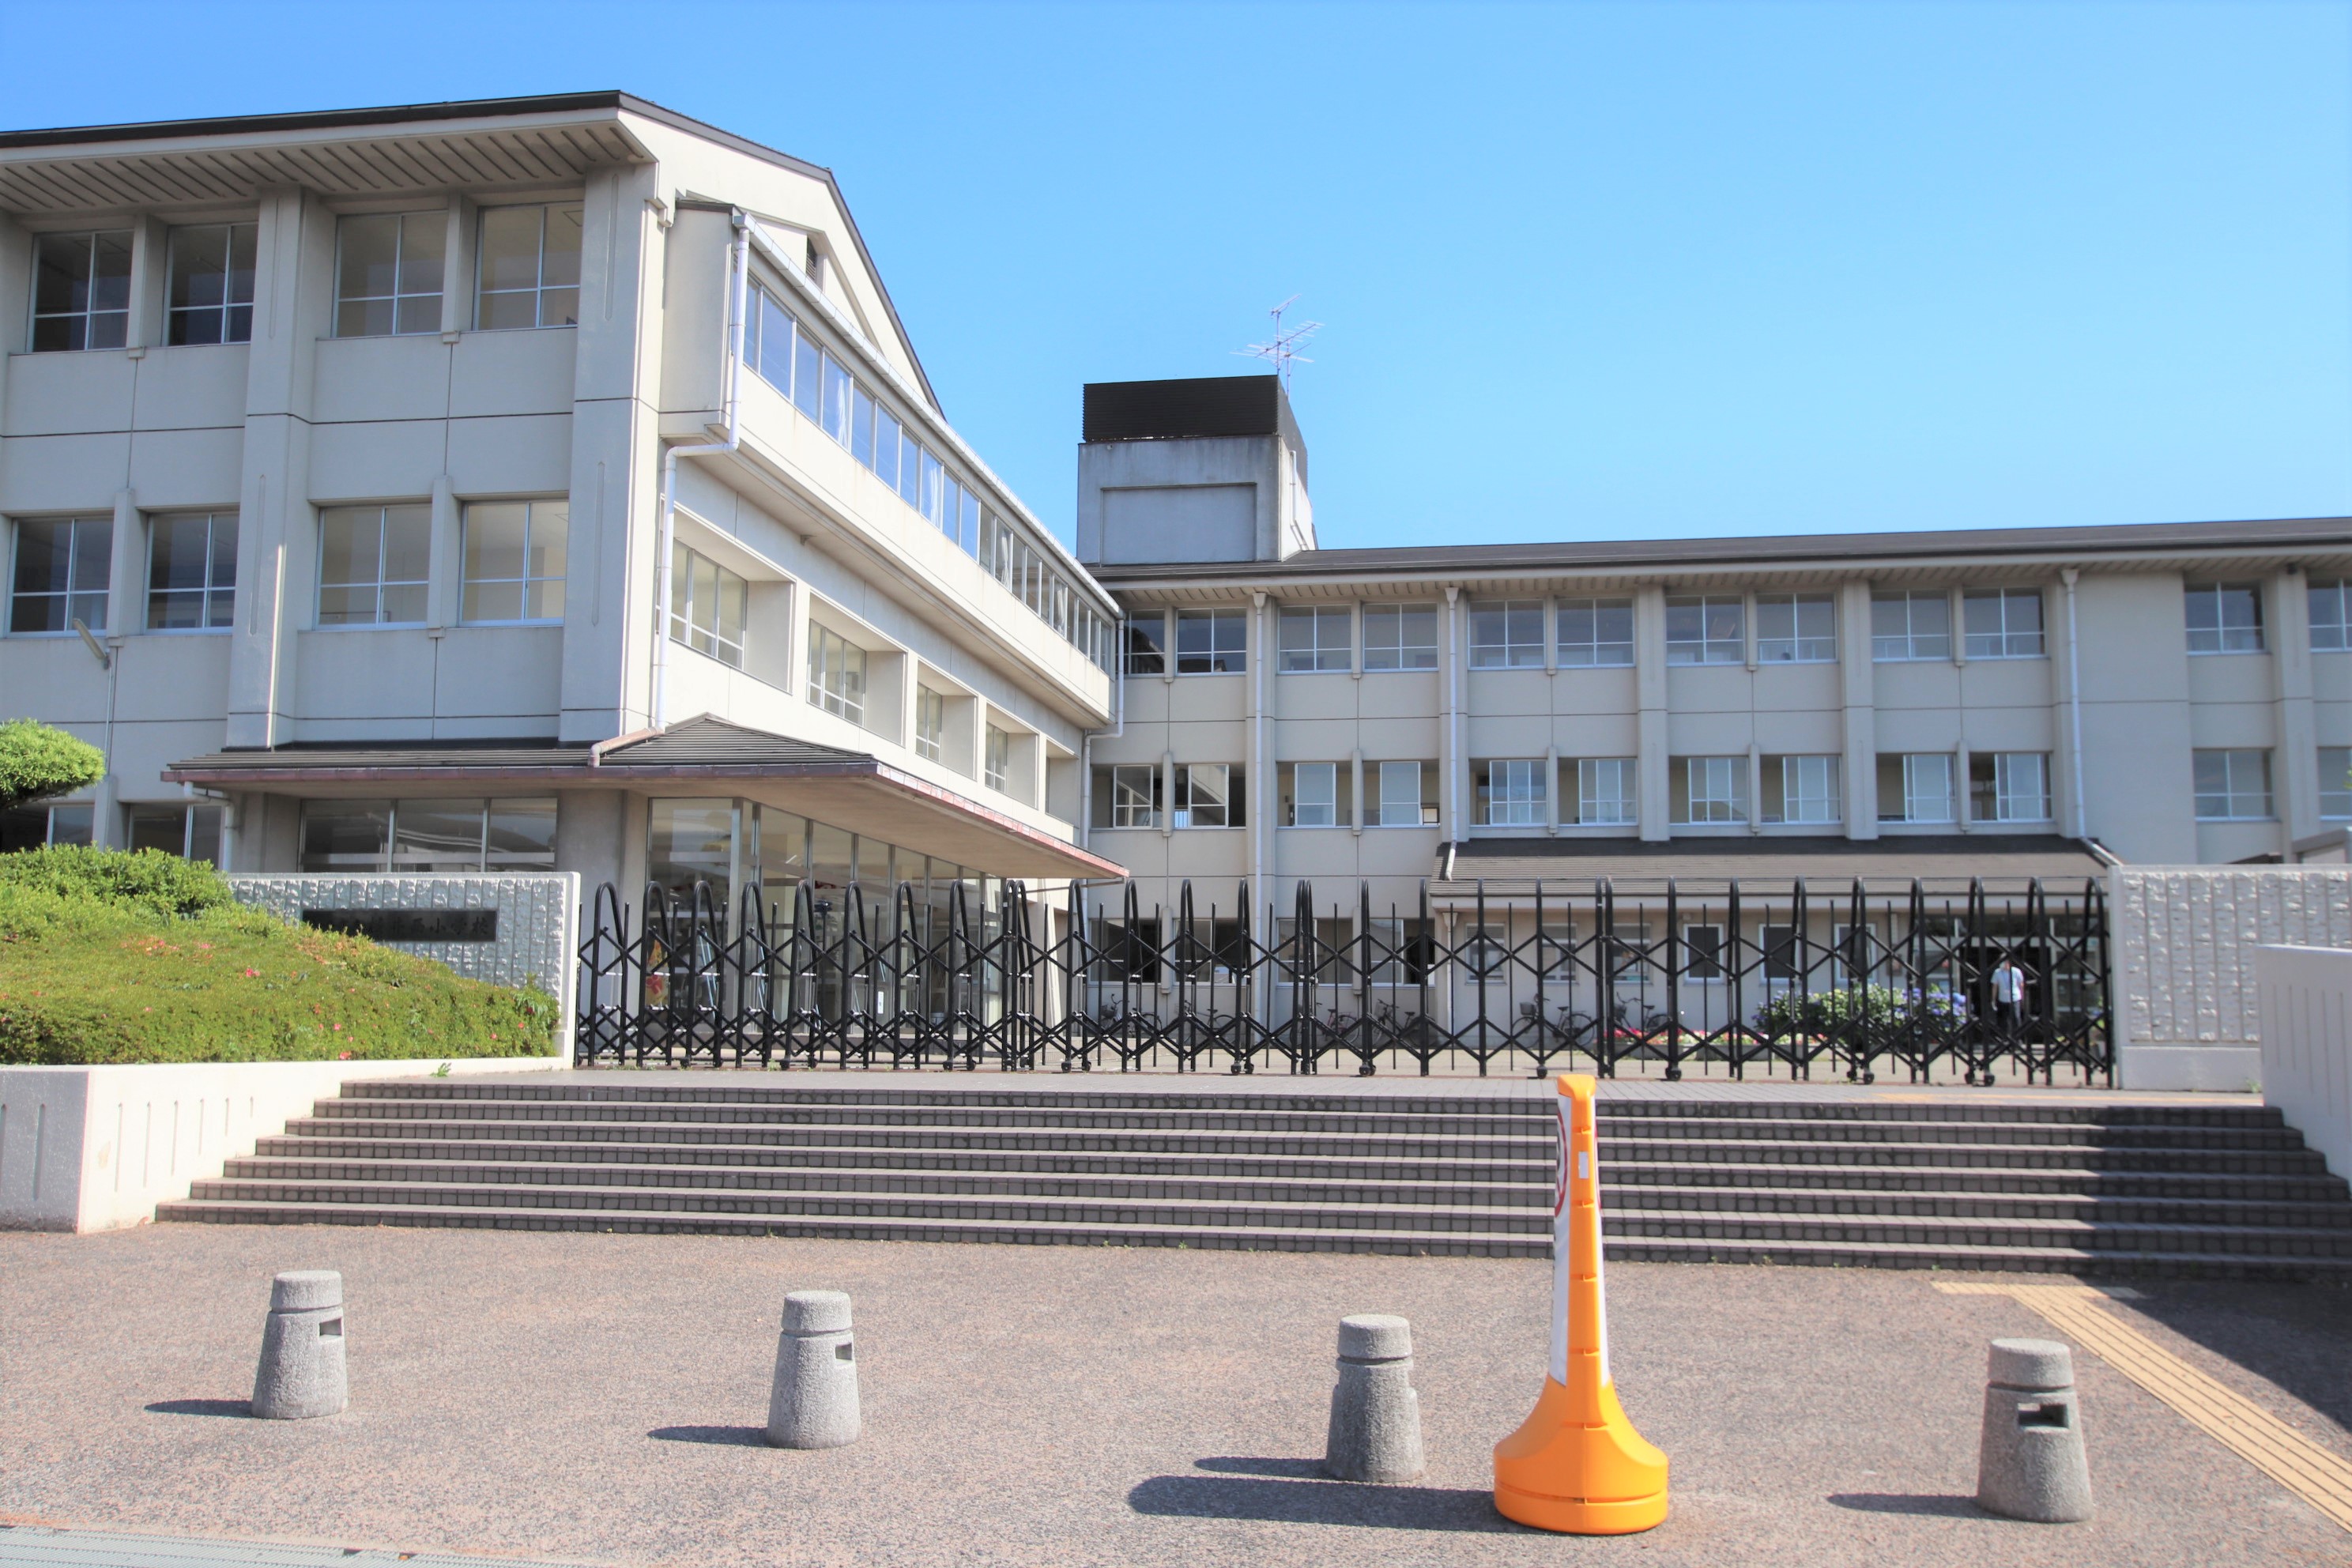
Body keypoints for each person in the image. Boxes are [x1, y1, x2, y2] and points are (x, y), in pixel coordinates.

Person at [1990, 954, 2029, 1038]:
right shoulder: (1997, 972)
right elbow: (1995, 987)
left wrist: (2023, 999)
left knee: (2016, 1018)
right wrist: (1993, 999)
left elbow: (2021, 986)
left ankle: (2018, 1038)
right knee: (2004, 1020)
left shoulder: (2016, 971)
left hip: (2015, 998)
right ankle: (2005, 1038)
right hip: (2003, 999)